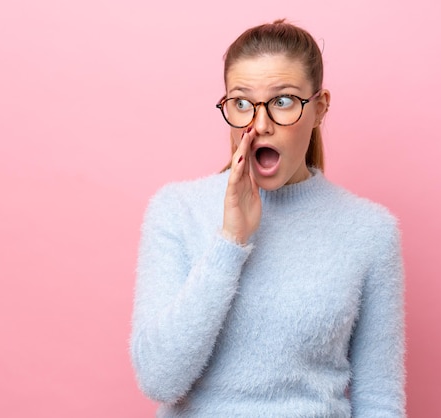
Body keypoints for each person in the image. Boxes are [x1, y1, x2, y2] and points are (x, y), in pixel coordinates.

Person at [129, 19, 405, 417]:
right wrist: (229, 243)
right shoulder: (176, 210)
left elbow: (380, 402)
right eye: (242, 103)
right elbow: (159, 380)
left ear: (319, 108)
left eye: (283, 101)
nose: (259, 125)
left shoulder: (370, 231)